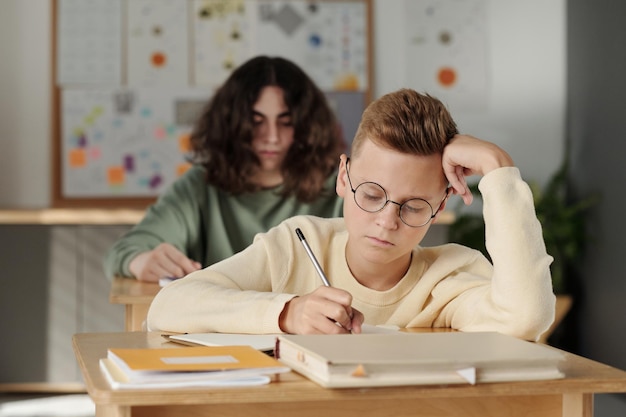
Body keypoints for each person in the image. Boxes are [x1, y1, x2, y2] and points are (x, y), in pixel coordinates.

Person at [147, 88, 556, 341]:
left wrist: (498, 166)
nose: (387, 221)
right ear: (343, 177)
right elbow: (169, 305)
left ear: (439, 208)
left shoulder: (449, 277)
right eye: (372, 194)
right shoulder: (298, 242)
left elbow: (526, 318)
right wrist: (287, 313)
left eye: (414, 206)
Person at [104, 56, 345, 282]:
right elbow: (124, 251)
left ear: (306, 127)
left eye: (286, 122)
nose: (272, 137)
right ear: (233, 123)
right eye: (256, 121)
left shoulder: (338, 188)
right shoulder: (201, 186)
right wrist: (144, 261)